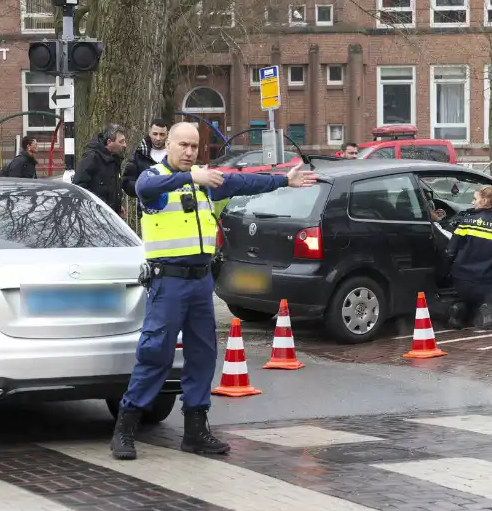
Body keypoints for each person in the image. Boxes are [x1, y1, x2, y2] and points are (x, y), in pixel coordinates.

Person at [110, 121, 317, 461]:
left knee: (203, 355)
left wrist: (285, 180)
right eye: (183, 146)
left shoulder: (203, 182)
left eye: (195, 147)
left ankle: (195, 430)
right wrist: (194, 177)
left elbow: (243, 181)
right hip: (168, 282)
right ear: (169, 146)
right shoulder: (154, 179)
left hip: (200, 282)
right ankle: (126, 427)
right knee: (156, 353)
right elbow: (147, 186)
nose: (190, 152)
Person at [442, 185, 492, 330]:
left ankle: (458, 309)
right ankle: (488, 311)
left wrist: (443, 274)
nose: (472, 202)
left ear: (486, 201)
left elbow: (450, 251)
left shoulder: (466, 221)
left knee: (467, 298)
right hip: (486, 283)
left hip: (461, 280)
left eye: (475, 199)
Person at [74, 124, 129, 215]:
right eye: (121, 142)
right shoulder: (91, 157)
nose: (125, 145)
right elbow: (79, 185)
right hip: (96, 216)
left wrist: (117, 206)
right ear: (109, 142)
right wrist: (99, 206)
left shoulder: (115, 159)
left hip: (110, 215)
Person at [123, 119, 168, 201]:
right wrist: (145, 189)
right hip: (145, 206)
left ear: (167, 134)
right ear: (149, 132)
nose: (158, 138)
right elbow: (128, 182)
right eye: (155, 134)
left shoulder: (174, 154)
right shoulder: (139, 153)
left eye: (162, 134)